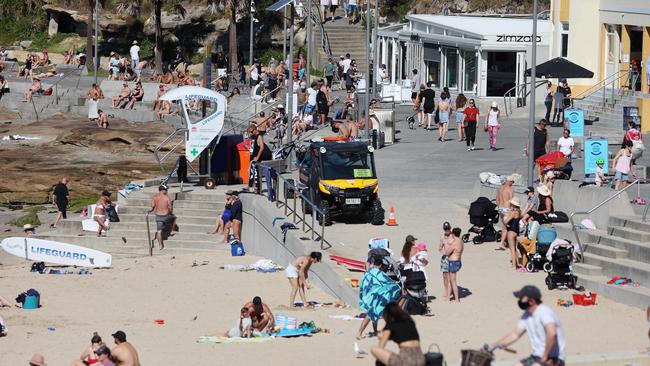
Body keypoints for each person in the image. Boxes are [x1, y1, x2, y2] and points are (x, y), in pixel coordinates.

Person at [489, 285, 566, 366]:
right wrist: (492, 346)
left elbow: (552, 333)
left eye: (521, 298)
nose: (519, 300)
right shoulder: (527, 315)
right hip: (537, 356)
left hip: (554, 358)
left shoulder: (544, 312)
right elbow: (515, 334)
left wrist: (545, 356)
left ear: (531, 301)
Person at [370, 302, 425, 366]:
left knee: (375, 350)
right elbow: (402, 335)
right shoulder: (410, 321)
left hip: (407, 361)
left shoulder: (390, 325)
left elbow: (381, 347)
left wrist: (380, 336)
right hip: (421, 359)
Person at [498, 197, 523, 270]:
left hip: (511, 232)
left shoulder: (513, 212)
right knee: (514, 249)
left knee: (512, 249)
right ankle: (517, 264)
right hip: (516, 231)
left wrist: (502, 217)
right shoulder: (519, 212)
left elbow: (506, 222)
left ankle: (514, 265)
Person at [151, 185, 176, 250]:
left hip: (158, 215)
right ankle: (171, 231)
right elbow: (170, 207)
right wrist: (170, 212)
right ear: (163, 190)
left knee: (159, 231)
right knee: (174, 218)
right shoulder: (167, 198)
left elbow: (153, 206)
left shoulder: (155, 197)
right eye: (166, 190)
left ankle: (160, 245)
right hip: (166, 215)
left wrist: (153, 208)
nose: (166, 191)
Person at [445, 227, 464, 303]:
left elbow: (447, 253)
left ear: (453, 234)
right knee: (451, 280)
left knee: (452, 281)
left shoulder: (454, 243)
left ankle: (456, 299)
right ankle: (448, 298)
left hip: (453, 262)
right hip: (458, 261)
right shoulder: (461, 241)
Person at [437, 223, 453, 300]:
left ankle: (450, 291)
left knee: (451, 276)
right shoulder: (442, 237)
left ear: (450, 228)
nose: (447, 230)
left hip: (452, 258)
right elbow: (440, 248)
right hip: (444, 258)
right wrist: (442, 252)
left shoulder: (453, 236)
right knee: (444, 275)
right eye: (445, 229)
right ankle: (446, 290)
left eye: (448, 229)